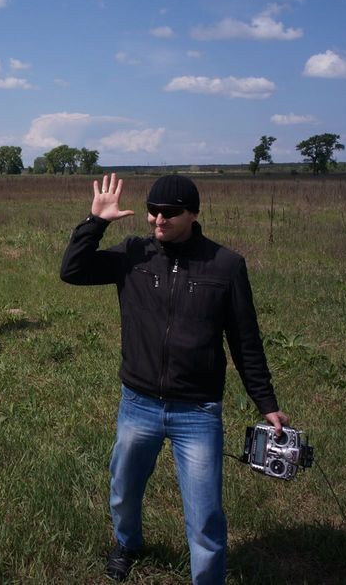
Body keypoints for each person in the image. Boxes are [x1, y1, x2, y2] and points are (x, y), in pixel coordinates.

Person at [60, 173, 289, 584]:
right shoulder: (134, 254)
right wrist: (96, 222)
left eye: (168, 213)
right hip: (139, 403)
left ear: (194, 213)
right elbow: (72, 271)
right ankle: (127, 542)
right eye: (151, 211)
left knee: (205, 515)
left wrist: (266, 403)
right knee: (123, 492)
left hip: (197, 411)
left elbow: (245, 341)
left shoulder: (226, 265)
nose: (157, 220)